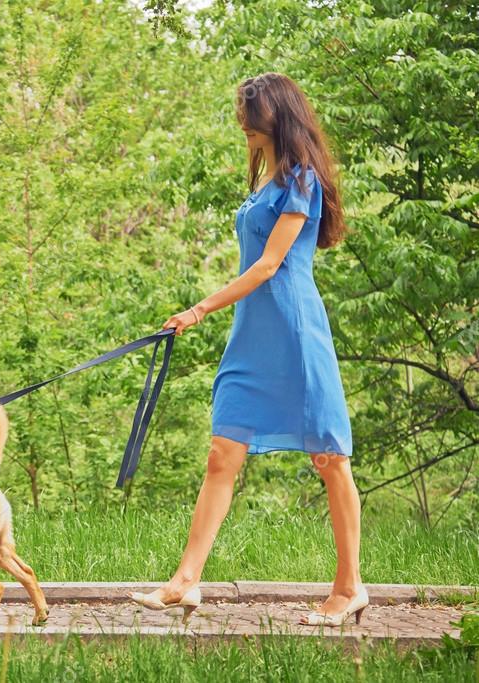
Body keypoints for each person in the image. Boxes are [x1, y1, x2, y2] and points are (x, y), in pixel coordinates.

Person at [131, 73, 365, 627]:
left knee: (330, 459)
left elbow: (268, 266)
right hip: (252, 336)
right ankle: (185, 581)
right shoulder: (266, 182)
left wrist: (197, 310)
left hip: (294, 332)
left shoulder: (301, 181)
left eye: (250, 112)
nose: (242, 119)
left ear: (275, 117)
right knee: (222, 454)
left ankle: (350, 587)